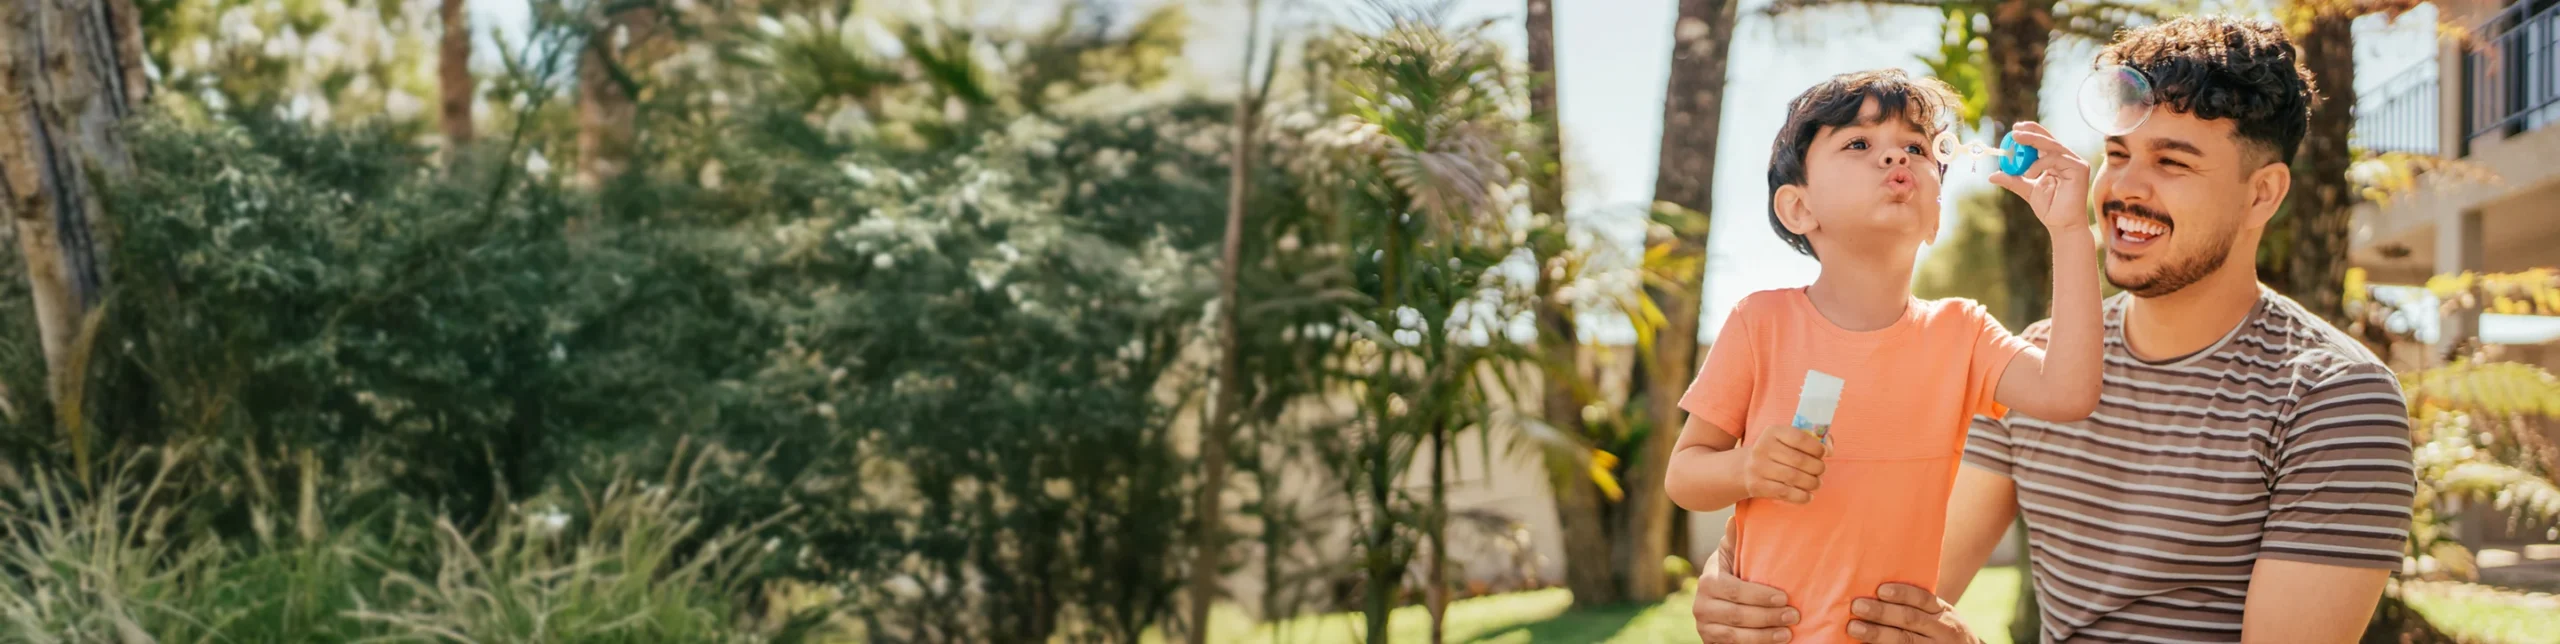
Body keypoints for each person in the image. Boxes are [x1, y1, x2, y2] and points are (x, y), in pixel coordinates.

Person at [1686, 16, 2416, 644]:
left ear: (2263, 193)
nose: (2127, 188)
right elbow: (1889, 570)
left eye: (2172, 163)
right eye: (2121, 155)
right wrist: (1743, 580)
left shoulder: (2334, 399)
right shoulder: (2030, 355)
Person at [1662, 67, 2104, 644]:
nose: (1896, 159)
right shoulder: (1759, 322)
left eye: (1916, 148)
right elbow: (1685, 475)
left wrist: (2070, 230)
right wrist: (1746, 468)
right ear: (1798, 208)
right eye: (1859, 143)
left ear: (1936, 214)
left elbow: (2068, 392)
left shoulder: (1962, 332)